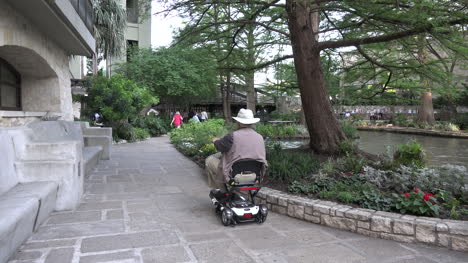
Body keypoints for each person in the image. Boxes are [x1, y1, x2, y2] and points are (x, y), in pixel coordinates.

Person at [205, 108, 267, 190]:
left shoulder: (232, 136)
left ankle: (222, 191)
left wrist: (215, 140)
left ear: (239, 123)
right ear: (252, 123)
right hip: (255, 175)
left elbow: (219, 146)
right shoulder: (260, 137)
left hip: (234, 175)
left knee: (209, 161)